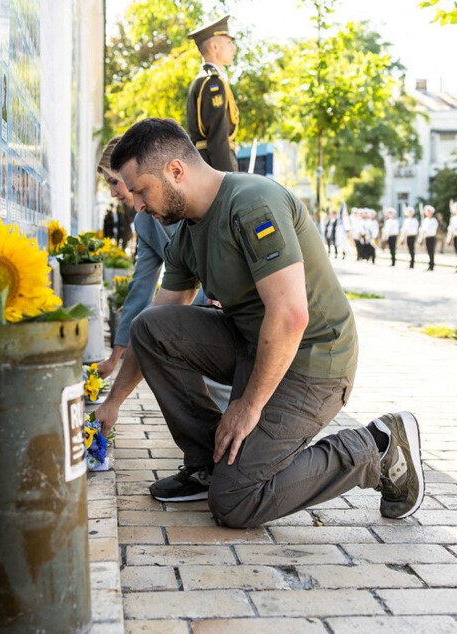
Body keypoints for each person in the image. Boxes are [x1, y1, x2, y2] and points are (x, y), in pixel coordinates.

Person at [98, 117, 425, 528]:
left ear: (175, 171)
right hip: (255, 347)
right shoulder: (186, 232)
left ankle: (376, 447)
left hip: (313, 361)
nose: (138, 204)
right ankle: (207, 465)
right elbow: (157, 324)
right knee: (152, 327)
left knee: (236, 502)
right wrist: (113, 403)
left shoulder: (252, 202)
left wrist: (247, 407)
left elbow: (290, 316)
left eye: (141, 190)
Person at [94, 135, 230, 409]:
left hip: (222, 304)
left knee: (227, 394)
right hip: (190, 307)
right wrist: (115, 356)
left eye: (113, 182)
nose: (113, 192)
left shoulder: (178, 202)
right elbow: (141, 287)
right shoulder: (144, 222)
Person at [185, 15, 239, 172]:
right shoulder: (212, 82)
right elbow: (217, 137)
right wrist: (228, 179)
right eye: (229, 43)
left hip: (206, 161)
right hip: (214, 162)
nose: (233, 48)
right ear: (214, 47)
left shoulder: (205, 79)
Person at [419, 205, 438, 271]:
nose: (428, 213)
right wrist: (421, 237)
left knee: (431, 251)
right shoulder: (425, 220)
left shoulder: (434, 220)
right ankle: (430, 264)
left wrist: (426, 230)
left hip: (432, 237)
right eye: (427, 211)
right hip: (426, 237)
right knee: (428, 251)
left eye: (429, 211)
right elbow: (422, 230)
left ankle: (432, 265)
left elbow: (432, 230)